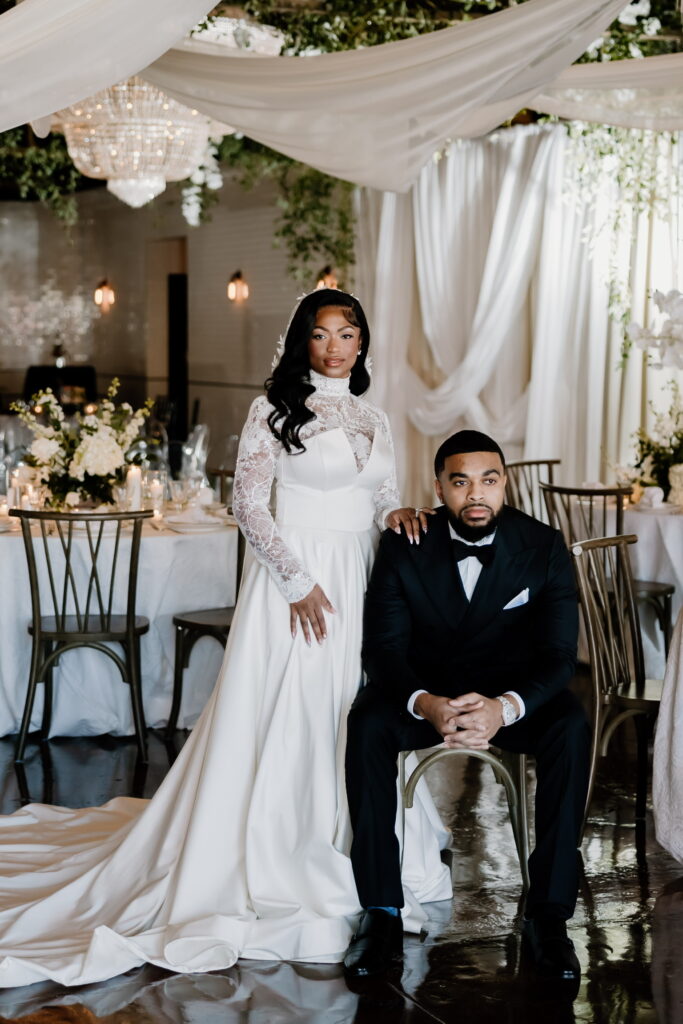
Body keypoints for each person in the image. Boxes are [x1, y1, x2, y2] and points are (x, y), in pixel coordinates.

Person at [0, 289, 451, 988]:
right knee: (294, 704)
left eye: (347, 334)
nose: (335, 346)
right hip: (294, 582)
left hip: (360, 575)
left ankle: (363, 843)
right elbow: (246, 502)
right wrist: (296, 581)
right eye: (322, 334)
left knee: (352, 709)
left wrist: (396, 511)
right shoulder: (273, 410)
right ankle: (278, 845)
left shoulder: (372, 415)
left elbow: (377, 492)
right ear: (303, 340)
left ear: (362, 342)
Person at [344, 430, 590, 982]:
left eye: (488, 480)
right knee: (367, 724)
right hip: (427, 694)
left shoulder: (544, 544)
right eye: (460, 482)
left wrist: (506, 707)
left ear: (505, 483)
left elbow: (558, 656)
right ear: (439, 487)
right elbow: (381, 649)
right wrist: (424, 703)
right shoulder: (406, 543)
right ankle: (380, 912)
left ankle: (549, 916)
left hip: (507, 698)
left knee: (571, 725)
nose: (475, 494)